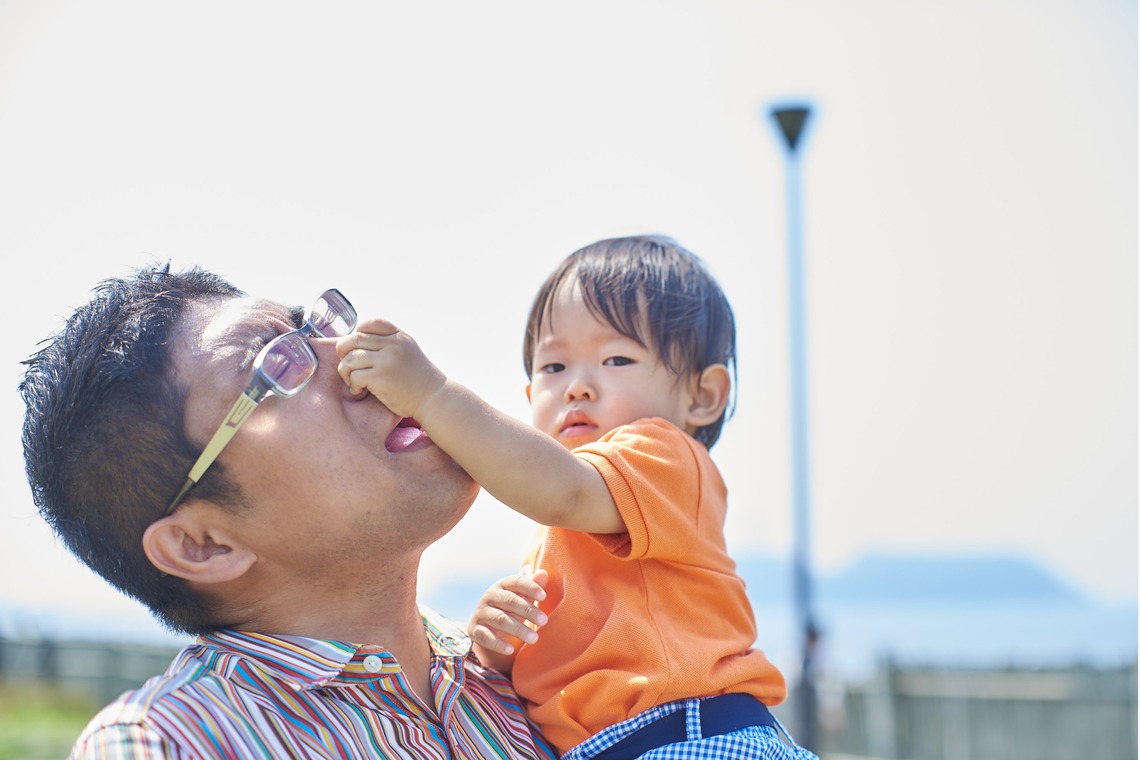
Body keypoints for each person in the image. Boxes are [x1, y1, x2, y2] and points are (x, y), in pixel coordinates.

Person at [19, 264, 557, 759]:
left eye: (315, 329)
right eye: (275, 365)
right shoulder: (168, 740)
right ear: (204, 544)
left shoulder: (523, 668)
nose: (353, 360)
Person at [336, 235, 818, 759]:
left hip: (693, 735)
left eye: (616, 359)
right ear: (529, 399)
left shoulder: (665, 459)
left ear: (702, 397)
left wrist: (431, 397)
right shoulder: (565, 521)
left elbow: (560, 490)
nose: (577, 388)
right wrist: (497, 645)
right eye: (553, 368)